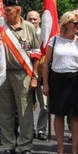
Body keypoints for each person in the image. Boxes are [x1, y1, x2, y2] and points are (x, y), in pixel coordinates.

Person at [0, 0, 41, 154]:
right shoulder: (1, 28)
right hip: (4, 74)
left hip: (23, 73)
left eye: (8, 11)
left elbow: (36, 53)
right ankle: (8, 145)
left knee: (25, 111)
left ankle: (25, 146)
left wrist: (35, 76)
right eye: (5, 10)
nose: (5, 13)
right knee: (5, 111)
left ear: (18, 11)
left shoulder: (29, 28)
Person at [41, 11, 78, 154]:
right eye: (75, 23)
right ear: (66, 24)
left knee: (75, 116)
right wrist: (45, 83)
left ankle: (74, 149)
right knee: (58, 115)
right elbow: (46, 63)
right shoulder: (54, 40)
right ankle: (60, 148)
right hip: (57, 80)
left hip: (75, 79)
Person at [27, 10, 48, 140]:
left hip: (41, 75)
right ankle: (28, 129)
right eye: (30, 19)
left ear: (39, 20)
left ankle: (41, 129)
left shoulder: (45, 35)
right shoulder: (23, 34)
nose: (33, 21)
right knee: (26, 106)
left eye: (35, 19)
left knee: (45, 105)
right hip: (26, 74)